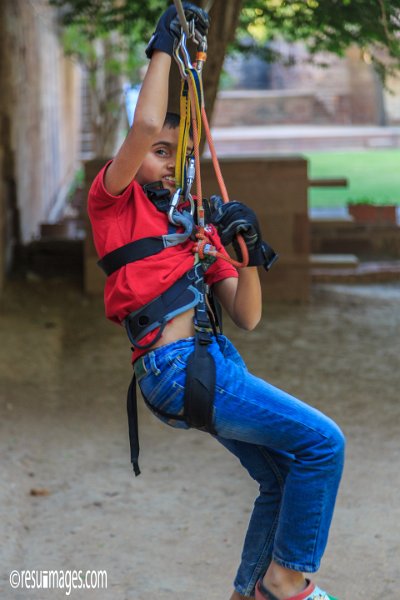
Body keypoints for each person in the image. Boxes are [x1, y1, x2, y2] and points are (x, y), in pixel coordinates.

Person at [87, 4, 345, 600]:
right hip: (173, 369)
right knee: (323, 443)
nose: (165, 158)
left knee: (281, 478)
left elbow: (248, 315)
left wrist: (245, 250)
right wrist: (164, 45)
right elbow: (146, 124)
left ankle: (251, 594)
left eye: (177, 152)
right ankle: (286, 581)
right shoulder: (114, 202)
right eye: (158, 150)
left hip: (213, 364)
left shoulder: (195, 227)